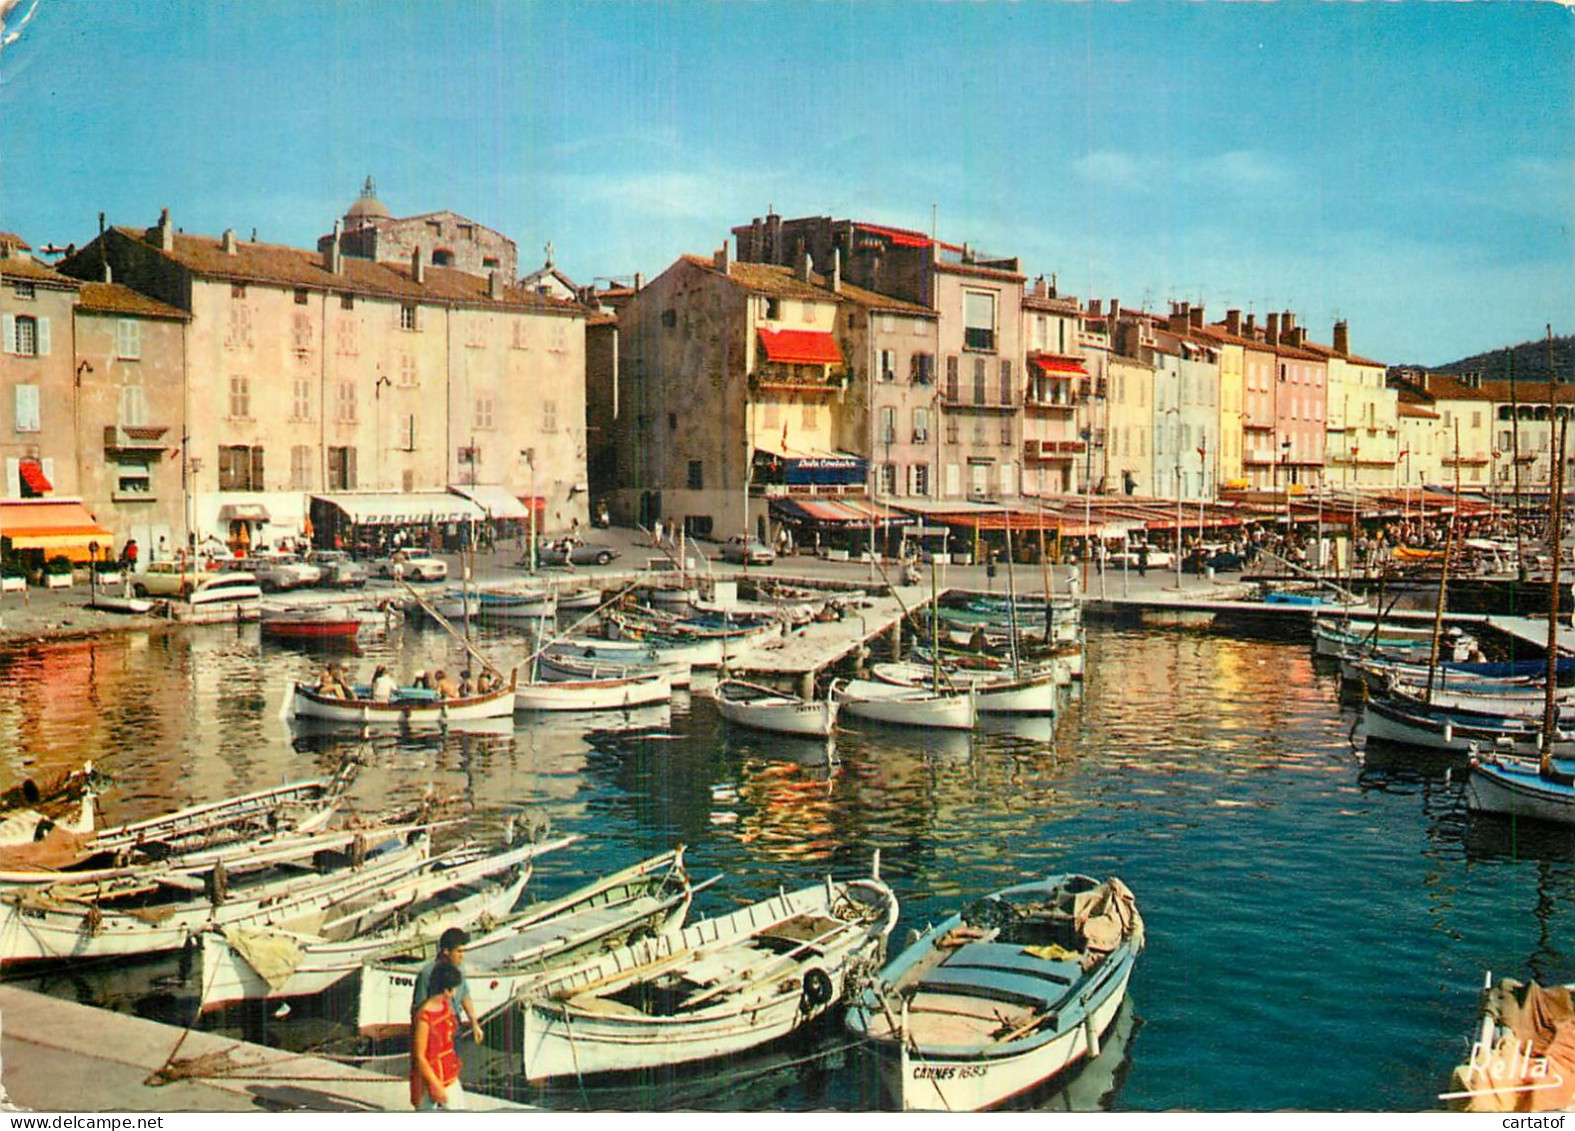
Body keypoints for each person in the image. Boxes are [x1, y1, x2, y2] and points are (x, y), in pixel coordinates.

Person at [412, 927, 484, 1045]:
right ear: (446, 951)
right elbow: (417, 1009)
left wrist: (474, 1024)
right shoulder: (427, 973)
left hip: (455, 1023)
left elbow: (464, 995)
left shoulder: (459, 968)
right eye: (459, 951)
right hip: (435, 1029)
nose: (462, 956)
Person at [410, 961, 465, 1111]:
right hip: (428, 1078)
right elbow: (420, 1056)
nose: (454, 994)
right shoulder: (424, 1017)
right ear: (446, 990)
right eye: (453, 989)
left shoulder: (445, 1006)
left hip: (448, 1072)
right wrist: (435, 1084)